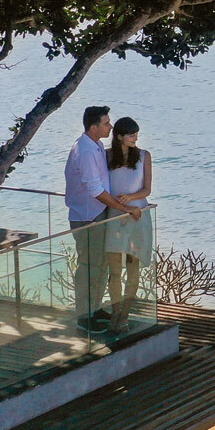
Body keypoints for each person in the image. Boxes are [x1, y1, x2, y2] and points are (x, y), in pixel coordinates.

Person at [63, 105, 140, 331]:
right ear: (93, 127)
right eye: (106, 123)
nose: (111, 126)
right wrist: (124, 208)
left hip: (99, 213)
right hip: (87, 217)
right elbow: (94, 189)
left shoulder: (95, 145)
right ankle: (84, 316)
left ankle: (94, 309)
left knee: (101, 264)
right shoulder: (86, 151)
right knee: (89, 266)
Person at [102, 116, 153, 331]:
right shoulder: (106, 156)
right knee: (114, 270)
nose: (135, 139)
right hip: (114, 216)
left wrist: (130, 198)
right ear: (120, 136)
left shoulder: (144, 156)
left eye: (136, 135)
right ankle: (115, 312)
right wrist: (120, 203)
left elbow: (147, 190)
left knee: (133, 267)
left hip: (137, 216)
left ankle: (125, 314)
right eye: (131, 135)